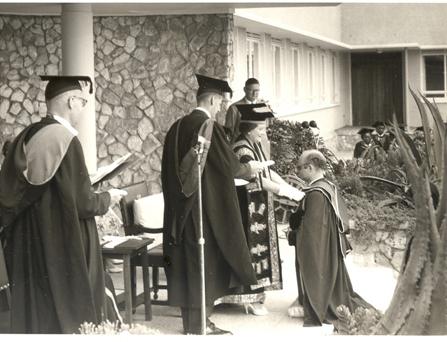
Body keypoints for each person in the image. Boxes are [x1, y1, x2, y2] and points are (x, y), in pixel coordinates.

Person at [0, 75, 126, 333]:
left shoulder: (29, 134)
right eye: (83, 102)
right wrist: (107, 198)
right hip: (59, 241)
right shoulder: (64, 139)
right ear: (71, 101)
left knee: (38, 311)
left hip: (28, 240)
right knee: (69, 311)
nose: (83, 109)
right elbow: (82, 203)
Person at [161, 74, 267, 335]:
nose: (222, 108)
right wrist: (249, 168)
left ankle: (193, 323)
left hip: (179, 209)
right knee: (202, 262)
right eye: (221, 102)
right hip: (202, 210)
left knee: (188, 264)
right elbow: (230, 167)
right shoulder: (208, 128)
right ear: (210, 100)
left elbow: (166, 170)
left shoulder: (176, 127)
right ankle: (200, 326)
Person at [216, 104, 304, 316]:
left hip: (258, 206)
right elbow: (258, 179)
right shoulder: (242, 148)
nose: (264, 133)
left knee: (259, 254)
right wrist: (286, 192)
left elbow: (269, 171)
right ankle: (251, 299)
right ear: (249, 129)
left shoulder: (253, 144)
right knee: (251, 252)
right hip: (247, 208)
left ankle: (258, 296)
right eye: (261, 129)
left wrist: (291, 188)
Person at [291, 150, 374, 327]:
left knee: (319, 273)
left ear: (310, 167)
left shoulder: (316, 193)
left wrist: (295, 231)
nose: (296, 172)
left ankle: (318, 305)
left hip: (320, 245)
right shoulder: (327, 186)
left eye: (299, 168)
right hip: (329, 243)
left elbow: (313, 230)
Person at [224, 78, 271, 147]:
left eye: (257, 90)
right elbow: (228, 133)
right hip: (242, 146)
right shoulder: (234, 108)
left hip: (261, 147)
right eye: (251, 90)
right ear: (245, 89)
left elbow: (266, 128)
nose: (255, 93)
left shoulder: (263, 106)